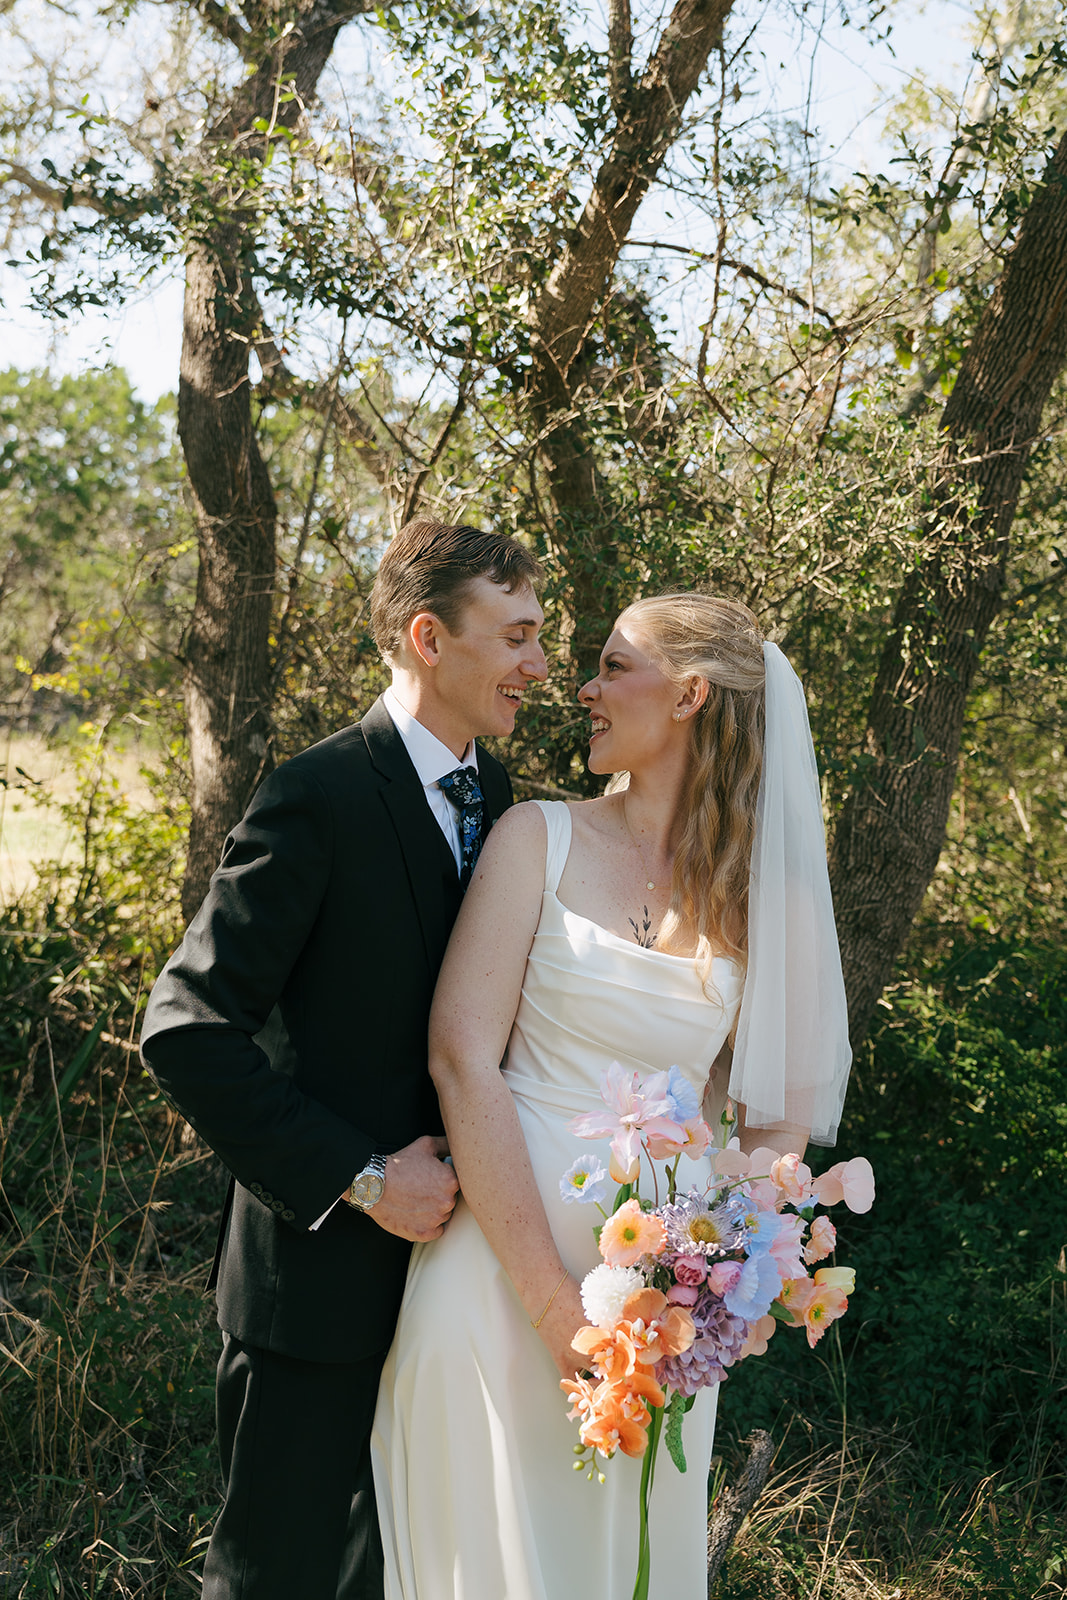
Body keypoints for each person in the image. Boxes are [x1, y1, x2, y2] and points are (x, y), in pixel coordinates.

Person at [370, 592, 852, 1600]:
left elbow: (771, 1122)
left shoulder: (758, 894)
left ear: (688, 695)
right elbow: (462, 1056)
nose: (580, 686)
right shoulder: (531, 839)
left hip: (656, 1326)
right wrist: (554, 1305)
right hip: (497, 1279)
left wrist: (715, 1279)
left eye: (611, 665)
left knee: (615, 1565)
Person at [139, 519, 547, 1600]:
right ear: (427, 636)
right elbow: (185, 1026)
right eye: (515, 636)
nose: (539, 665)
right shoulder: (312, 798)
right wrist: (363, 1178)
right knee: (278, 1577)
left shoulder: (499, 805)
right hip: (312, 1291)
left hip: (455, 1292)